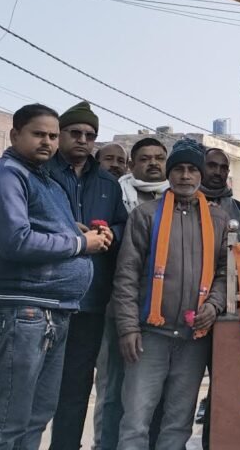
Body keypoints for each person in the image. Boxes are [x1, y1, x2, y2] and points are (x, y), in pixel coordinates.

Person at [0, 104, 109, 449]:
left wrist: (74, 230)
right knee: (7, 420)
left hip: (54, 311)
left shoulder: (43, 179)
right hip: (24, 311)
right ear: (15, 135)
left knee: (37, 415)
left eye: (53, 136)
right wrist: (80, 242)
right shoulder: (7, 175)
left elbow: (42, 227)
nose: (47, 142)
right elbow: (15, 241)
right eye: (38, 134)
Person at [112, 139, 228, 450]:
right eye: (179, 169)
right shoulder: (145, 215)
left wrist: (215, 304)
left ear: (200, 174)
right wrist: (128, 328)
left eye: (192, 169)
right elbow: (126, 276)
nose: (185, 176)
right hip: (150, 336)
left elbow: (226, 272)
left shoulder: (218, 220)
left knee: (178, 424)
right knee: (135, 422)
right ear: (169, 173)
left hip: (194, 338)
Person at [46, 101, 128, 450]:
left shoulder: (108, 182)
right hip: (47, 297)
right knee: (34, 389)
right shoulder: (42, 173)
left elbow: (123, 224)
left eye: (90, 135)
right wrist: (68, 233)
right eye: (75, 133)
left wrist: (111, 233)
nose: (83, 140)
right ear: (60, 134)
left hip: (91, 300)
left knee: (77, 388)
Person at [94, 137, 171, 450]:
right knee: (113, 388)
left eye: (159, 158)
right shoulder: (117, 195)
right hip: (119, 306)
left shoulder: (180, 198)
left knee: (156, 393)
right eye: (145, 158)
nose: (153, 163)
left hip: (163, 311)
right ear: (132, 165)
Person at [201, 147, 240, 242]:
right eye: (212, 166)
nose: (218, 172)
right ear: (201, 167)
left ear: (228, 172)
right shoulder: (186, 203)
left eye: (223, 168)